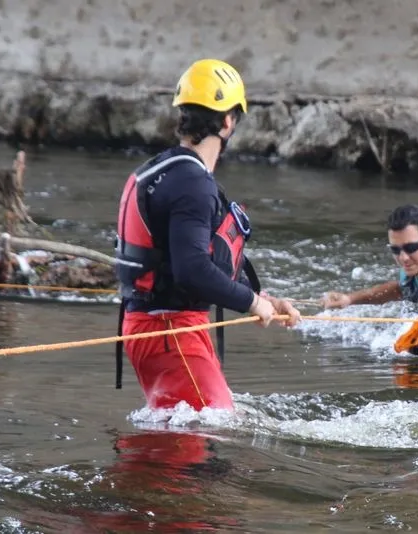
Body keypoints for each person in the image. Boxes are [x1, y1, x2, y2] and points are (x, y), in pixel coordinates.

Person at [113, 58, 301, 412]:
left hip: (158, 327)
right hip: (170, 330)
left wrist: (264, 299)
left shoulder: (165, 170)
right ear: (228, 121)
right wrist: (251, 303)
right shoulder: (193, 183)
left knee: (187, 433)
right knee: (208, 433)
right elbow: (193, 270)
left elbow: (183, 260)